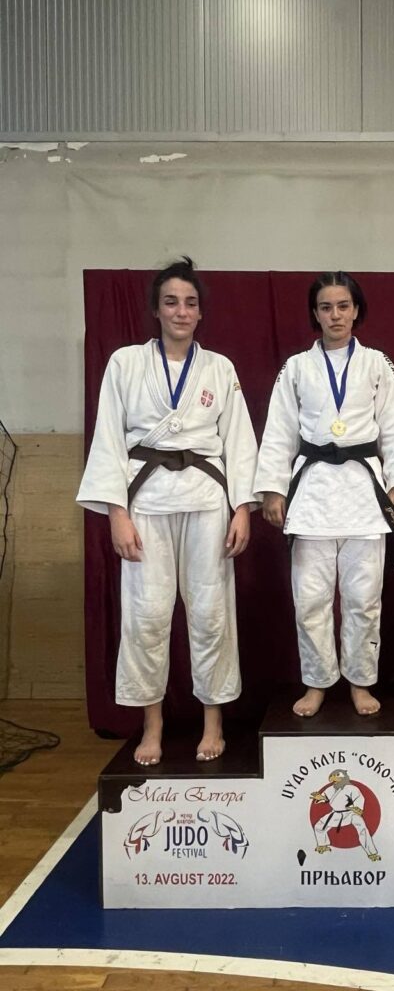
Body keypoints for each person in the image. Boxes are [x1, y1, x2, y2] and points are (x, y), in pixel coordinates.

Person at [77, 257, 258, 766]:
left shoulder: (219, 368)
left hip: (207, 499)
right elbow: (108, 437)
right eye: (172, 302)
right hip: (147, 500)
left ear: (201, 313)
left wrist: (242, 508)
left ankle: (212, 721)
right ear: (156, 310)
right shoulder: (125, 363)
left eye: (191, 303)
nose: (182, 311)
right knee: (147, 614)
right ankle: (151, 724)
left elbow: (239, 441)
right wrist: (116, 513)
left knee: (211, 612)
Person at [254, 271, 394, 718]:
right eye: (326, 307)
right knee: (310, 599)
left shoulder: (378, 364)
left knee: (364, 599)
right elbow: (279, 430)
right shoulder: (296, 367)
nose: (336, 315)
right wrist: (273, 490)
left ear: (356, 310)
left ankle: (361, 680)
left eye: (343, 306)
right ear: (315, 314)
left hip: (364, 493)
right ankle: (317, 681)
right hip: (313, 493)